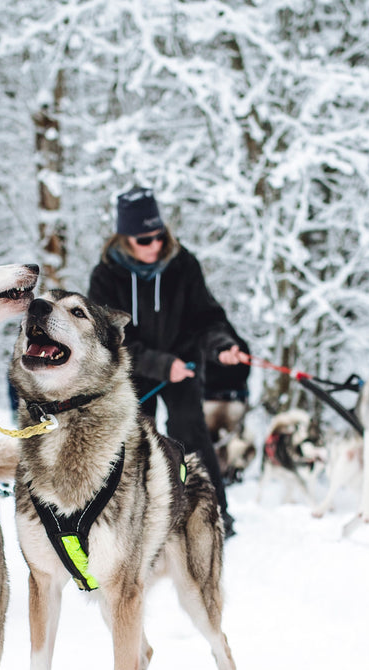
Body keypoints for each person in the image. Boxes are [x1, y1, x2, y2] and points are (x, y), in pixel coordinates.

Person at [88, 186, 245, 537]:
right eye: (145, 240)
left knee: (191, 435)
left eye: (159, 236)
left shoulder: (183, 264)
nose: (155, 245)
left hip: (184, 366)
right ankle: (136, 517)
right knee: (137, 440)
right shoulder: (106, 276)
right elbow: (108, 338)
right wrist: (160, 365)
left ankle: (214, 511)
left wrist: (222, 346)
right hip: (133, 369)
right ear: (126, 237)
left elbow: (207, 317)